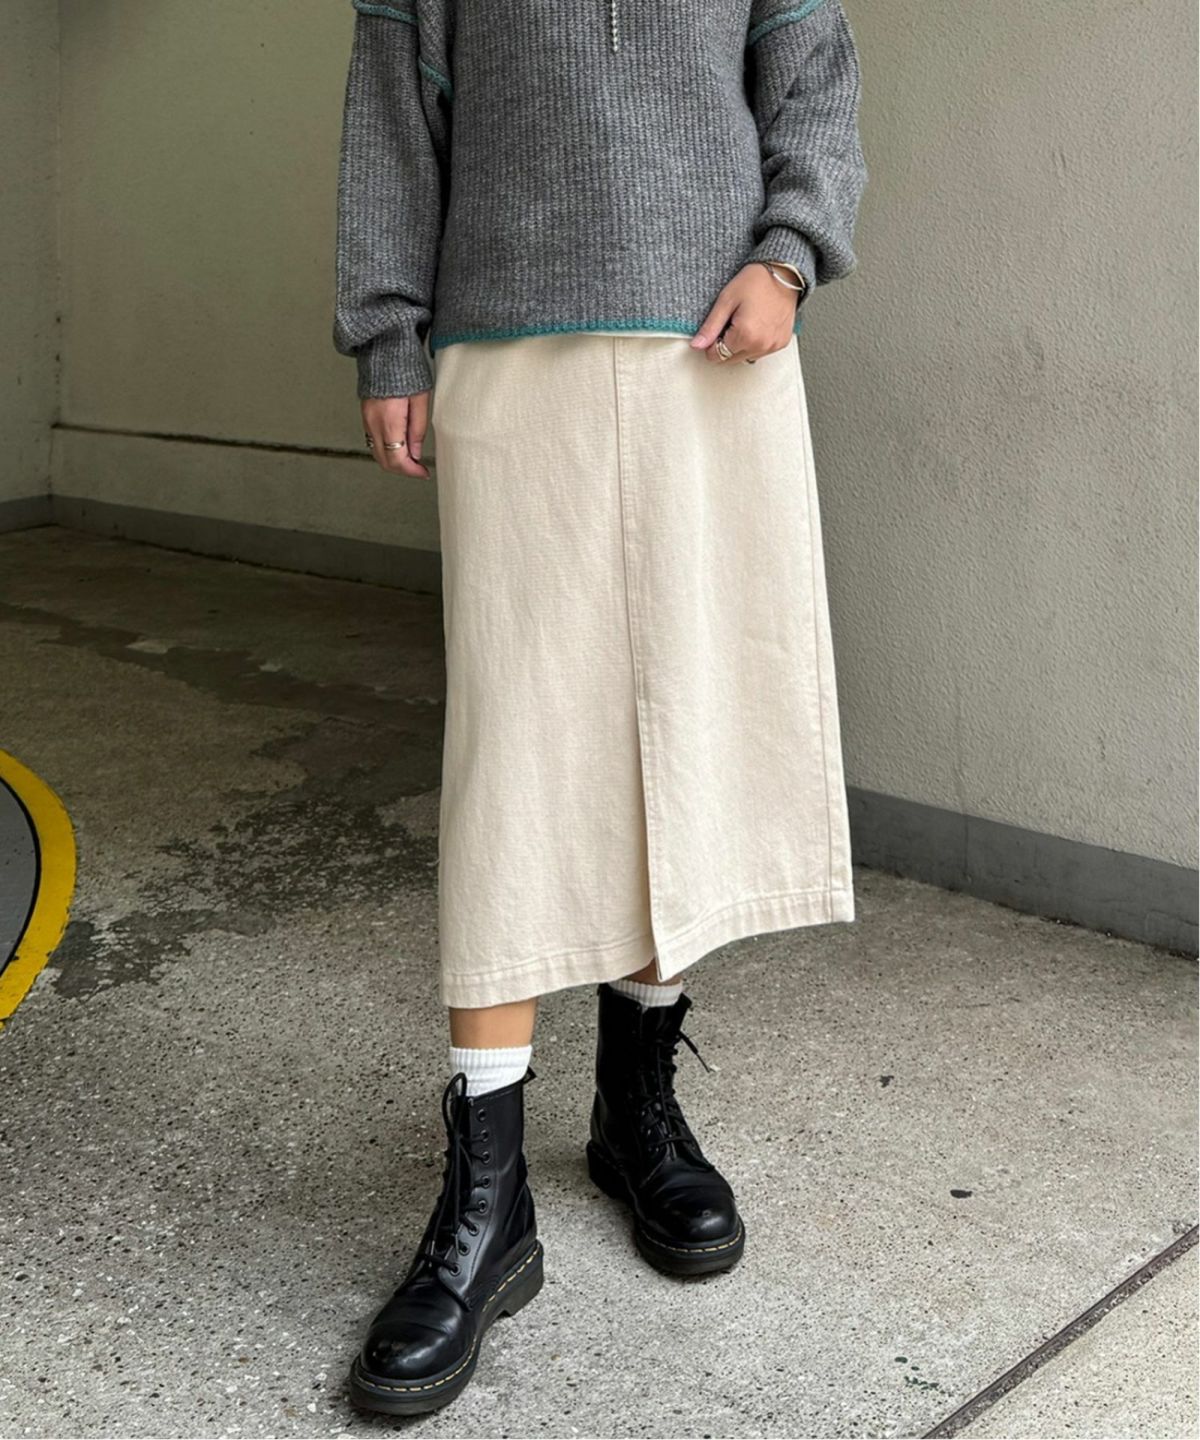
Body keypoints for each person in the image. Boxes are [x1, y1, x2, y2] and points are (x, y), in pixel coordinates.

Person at [332, 0, 866, 1416]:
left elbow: (811, 72)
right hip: (509, 346)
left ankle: (637, 1109)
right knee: (514, 751)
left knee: (686, 725)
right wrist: (387, 335)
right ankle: (487, 1191)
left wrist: (789, 254)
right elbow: (394, 113)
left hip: (717, 345)